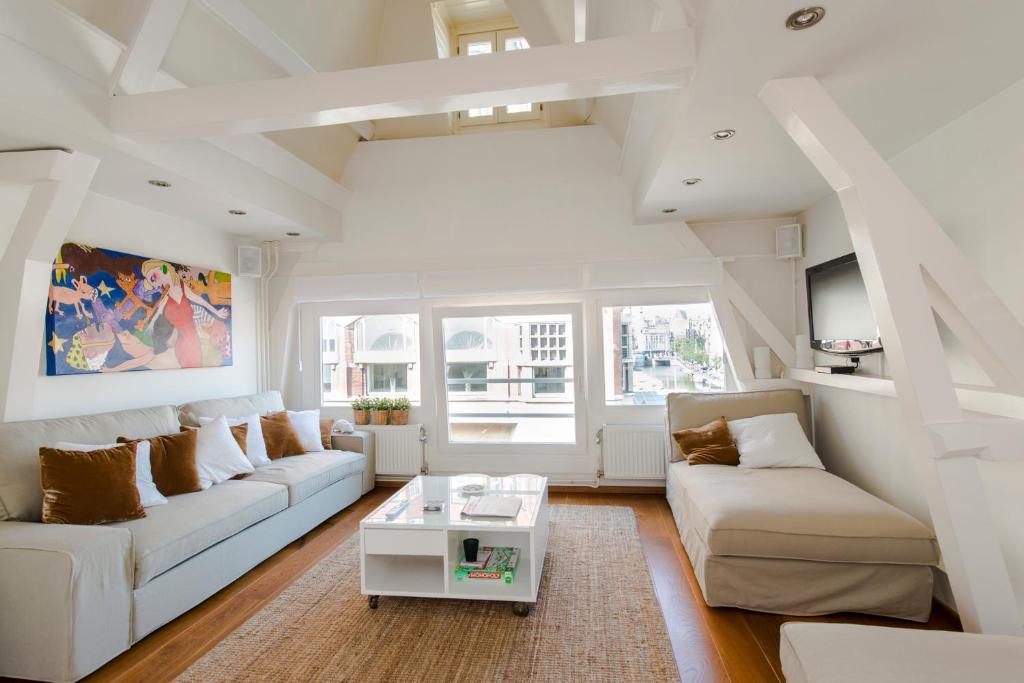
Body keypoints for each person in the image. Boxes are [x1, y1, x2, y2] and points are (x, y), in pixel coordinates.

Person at [140, 260, 228, 368]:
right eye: (152, 281)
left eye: (153, 277)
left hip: (191, 336)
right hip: (181, 337)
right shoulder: (165, 294)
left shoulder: (181, 286)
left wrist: (216, 312)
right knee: (187, 361)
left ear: (162, 269)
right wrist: (151, 324)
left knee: (194, 361)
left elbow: (199, 299)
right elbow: (158, 310)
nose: (155, 283)